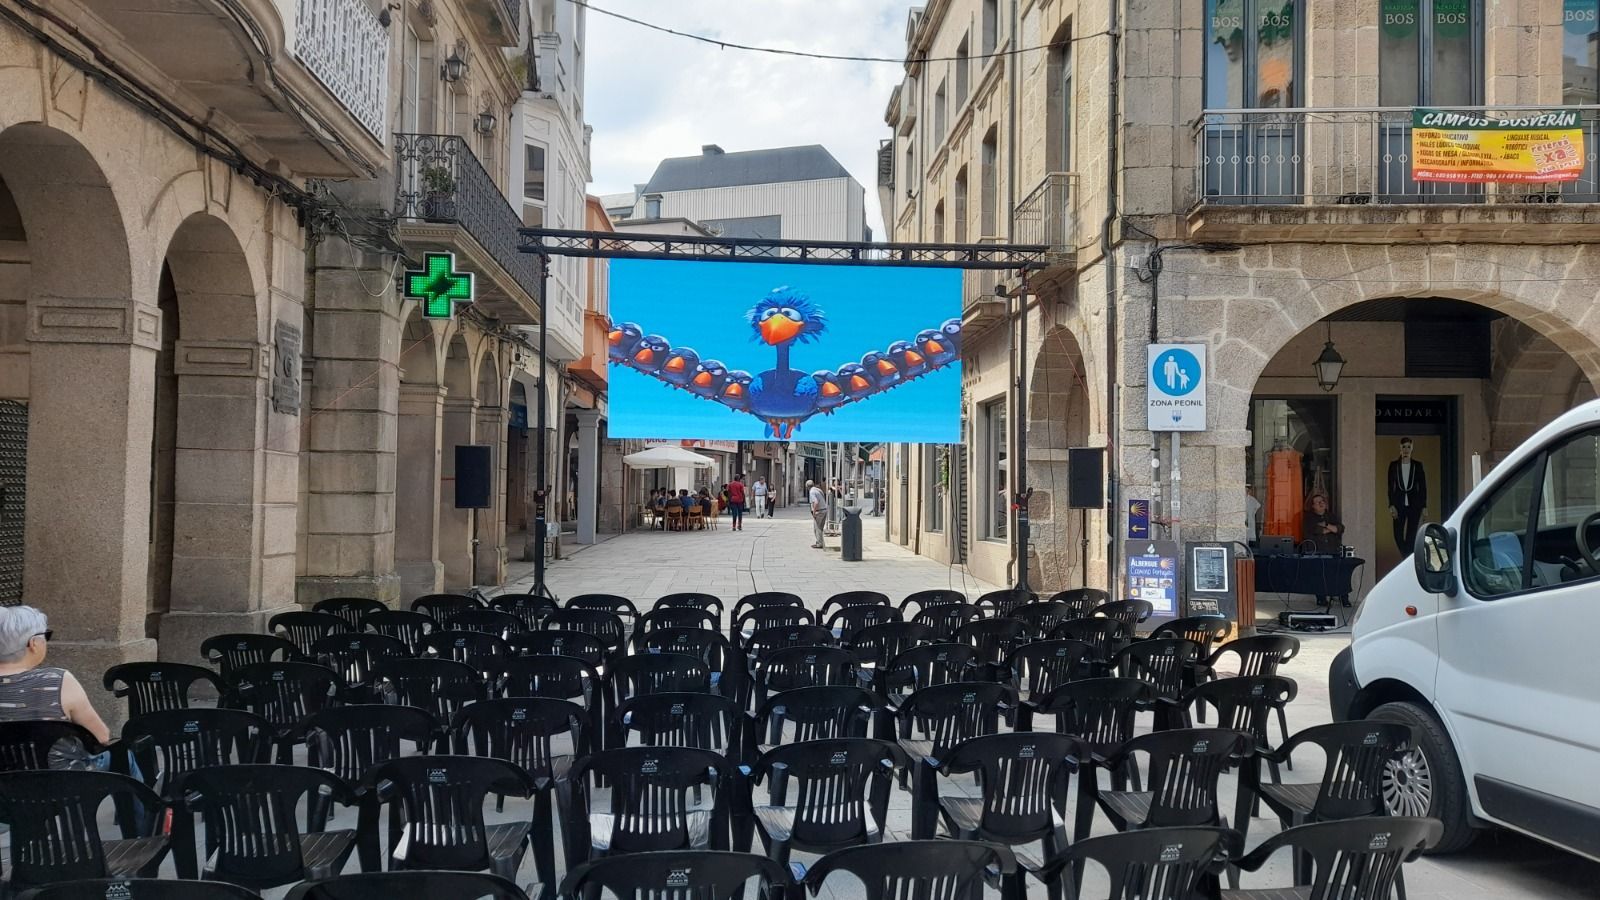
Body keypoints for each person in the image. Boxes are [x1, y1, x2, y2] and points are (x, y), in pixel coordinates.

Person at [0, 606, 112, 747]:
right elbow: (101, 736)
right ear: (33, 643)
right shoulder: (58, 681)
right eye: (45, 636)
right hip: (56, 762)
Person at [1302, 493, 1348, 607]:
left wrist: (1326, 525)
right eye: (1318, 502)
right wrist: (1331, 529)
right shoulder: (1309, 518)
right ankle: (1321, 599)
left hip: (1334, 550)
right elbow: (1317, 530)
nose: (1321, 503)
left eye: (1322, 501)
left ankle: (1344, 599)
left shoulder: (1331, 516)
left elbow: (1340, 528)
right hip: (1318, 551)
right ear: (1313, 506)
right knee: (1320, 575)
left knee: (1340, 574)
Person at [1387, 437, 1427, 556]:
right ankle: (1406, 556)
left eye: (1408, 447)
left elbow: (1423, 487)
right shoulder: (1394, 465)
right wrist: (1391, 504)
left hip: (1414, 505)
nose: (1406, 450)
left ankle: (1406, 558)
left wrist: (1424, 506)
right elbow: (1390, 487)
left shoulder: (1417, 465)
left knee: (1411, 535)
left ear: (1412, 448)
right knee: (1397, 534)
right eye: (1404, 447)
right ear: (1400, 448)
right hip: (1398, 504)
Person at [808, 478, 826, 549]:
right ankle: (820, 542)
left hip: (819, 511)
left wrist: (814, 512)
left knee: (817, 528)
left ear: (807, 487)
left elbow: (816, 502)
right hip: (824, 510)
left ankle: (819, 543)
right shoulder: (818, 490)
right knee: (820, 528)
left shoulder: (812, 492)